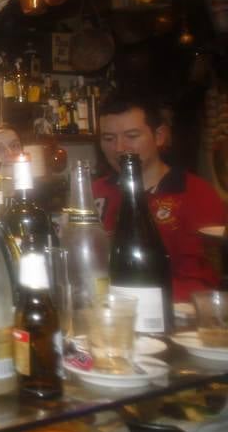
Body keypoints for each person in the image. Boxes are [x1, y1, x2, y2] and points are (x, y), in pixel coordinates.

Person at [93, 93, 226, 302]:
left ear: (159, 136)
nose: (119, 148)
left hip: (173, 318)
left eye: (132, 136)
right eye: (109, 138)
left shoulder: (195, 193)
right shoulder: (95, 192)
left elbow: (203, 283)